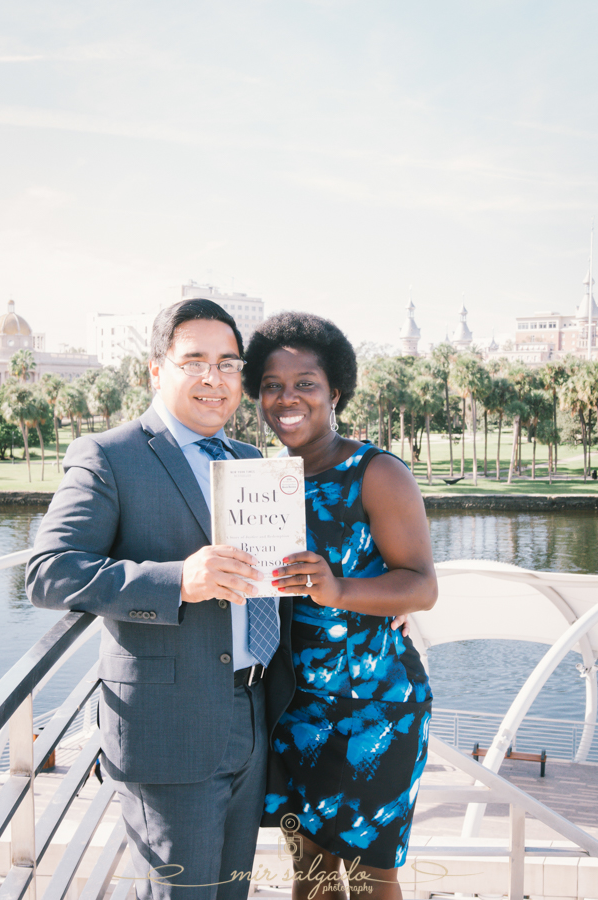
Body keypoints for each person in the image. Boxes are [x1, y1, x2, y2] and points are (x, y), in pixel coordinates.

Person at [26, 299, 295, 900]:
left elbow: (271, 578)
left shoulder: (252, 462)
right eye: (193, 360)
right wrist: (178, 580)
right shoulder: (109, 456)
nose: (213, 378)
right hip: (167, 732)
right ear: (155, 369)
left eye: (228, 364)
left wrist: (370, 601)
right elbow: (49, 573)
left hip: (252, 717)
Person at [243, 312, 437, 900]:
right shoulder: (259, 479)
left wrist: (341, 591)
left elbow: (422, 585)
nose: (287, 397)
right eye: (272, 385)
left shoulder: (376, 472)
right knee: (313, 874)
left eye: (305, 383)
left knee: (374, 876)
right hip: (292, 708)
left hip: (374, 707)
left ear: (336, 393)